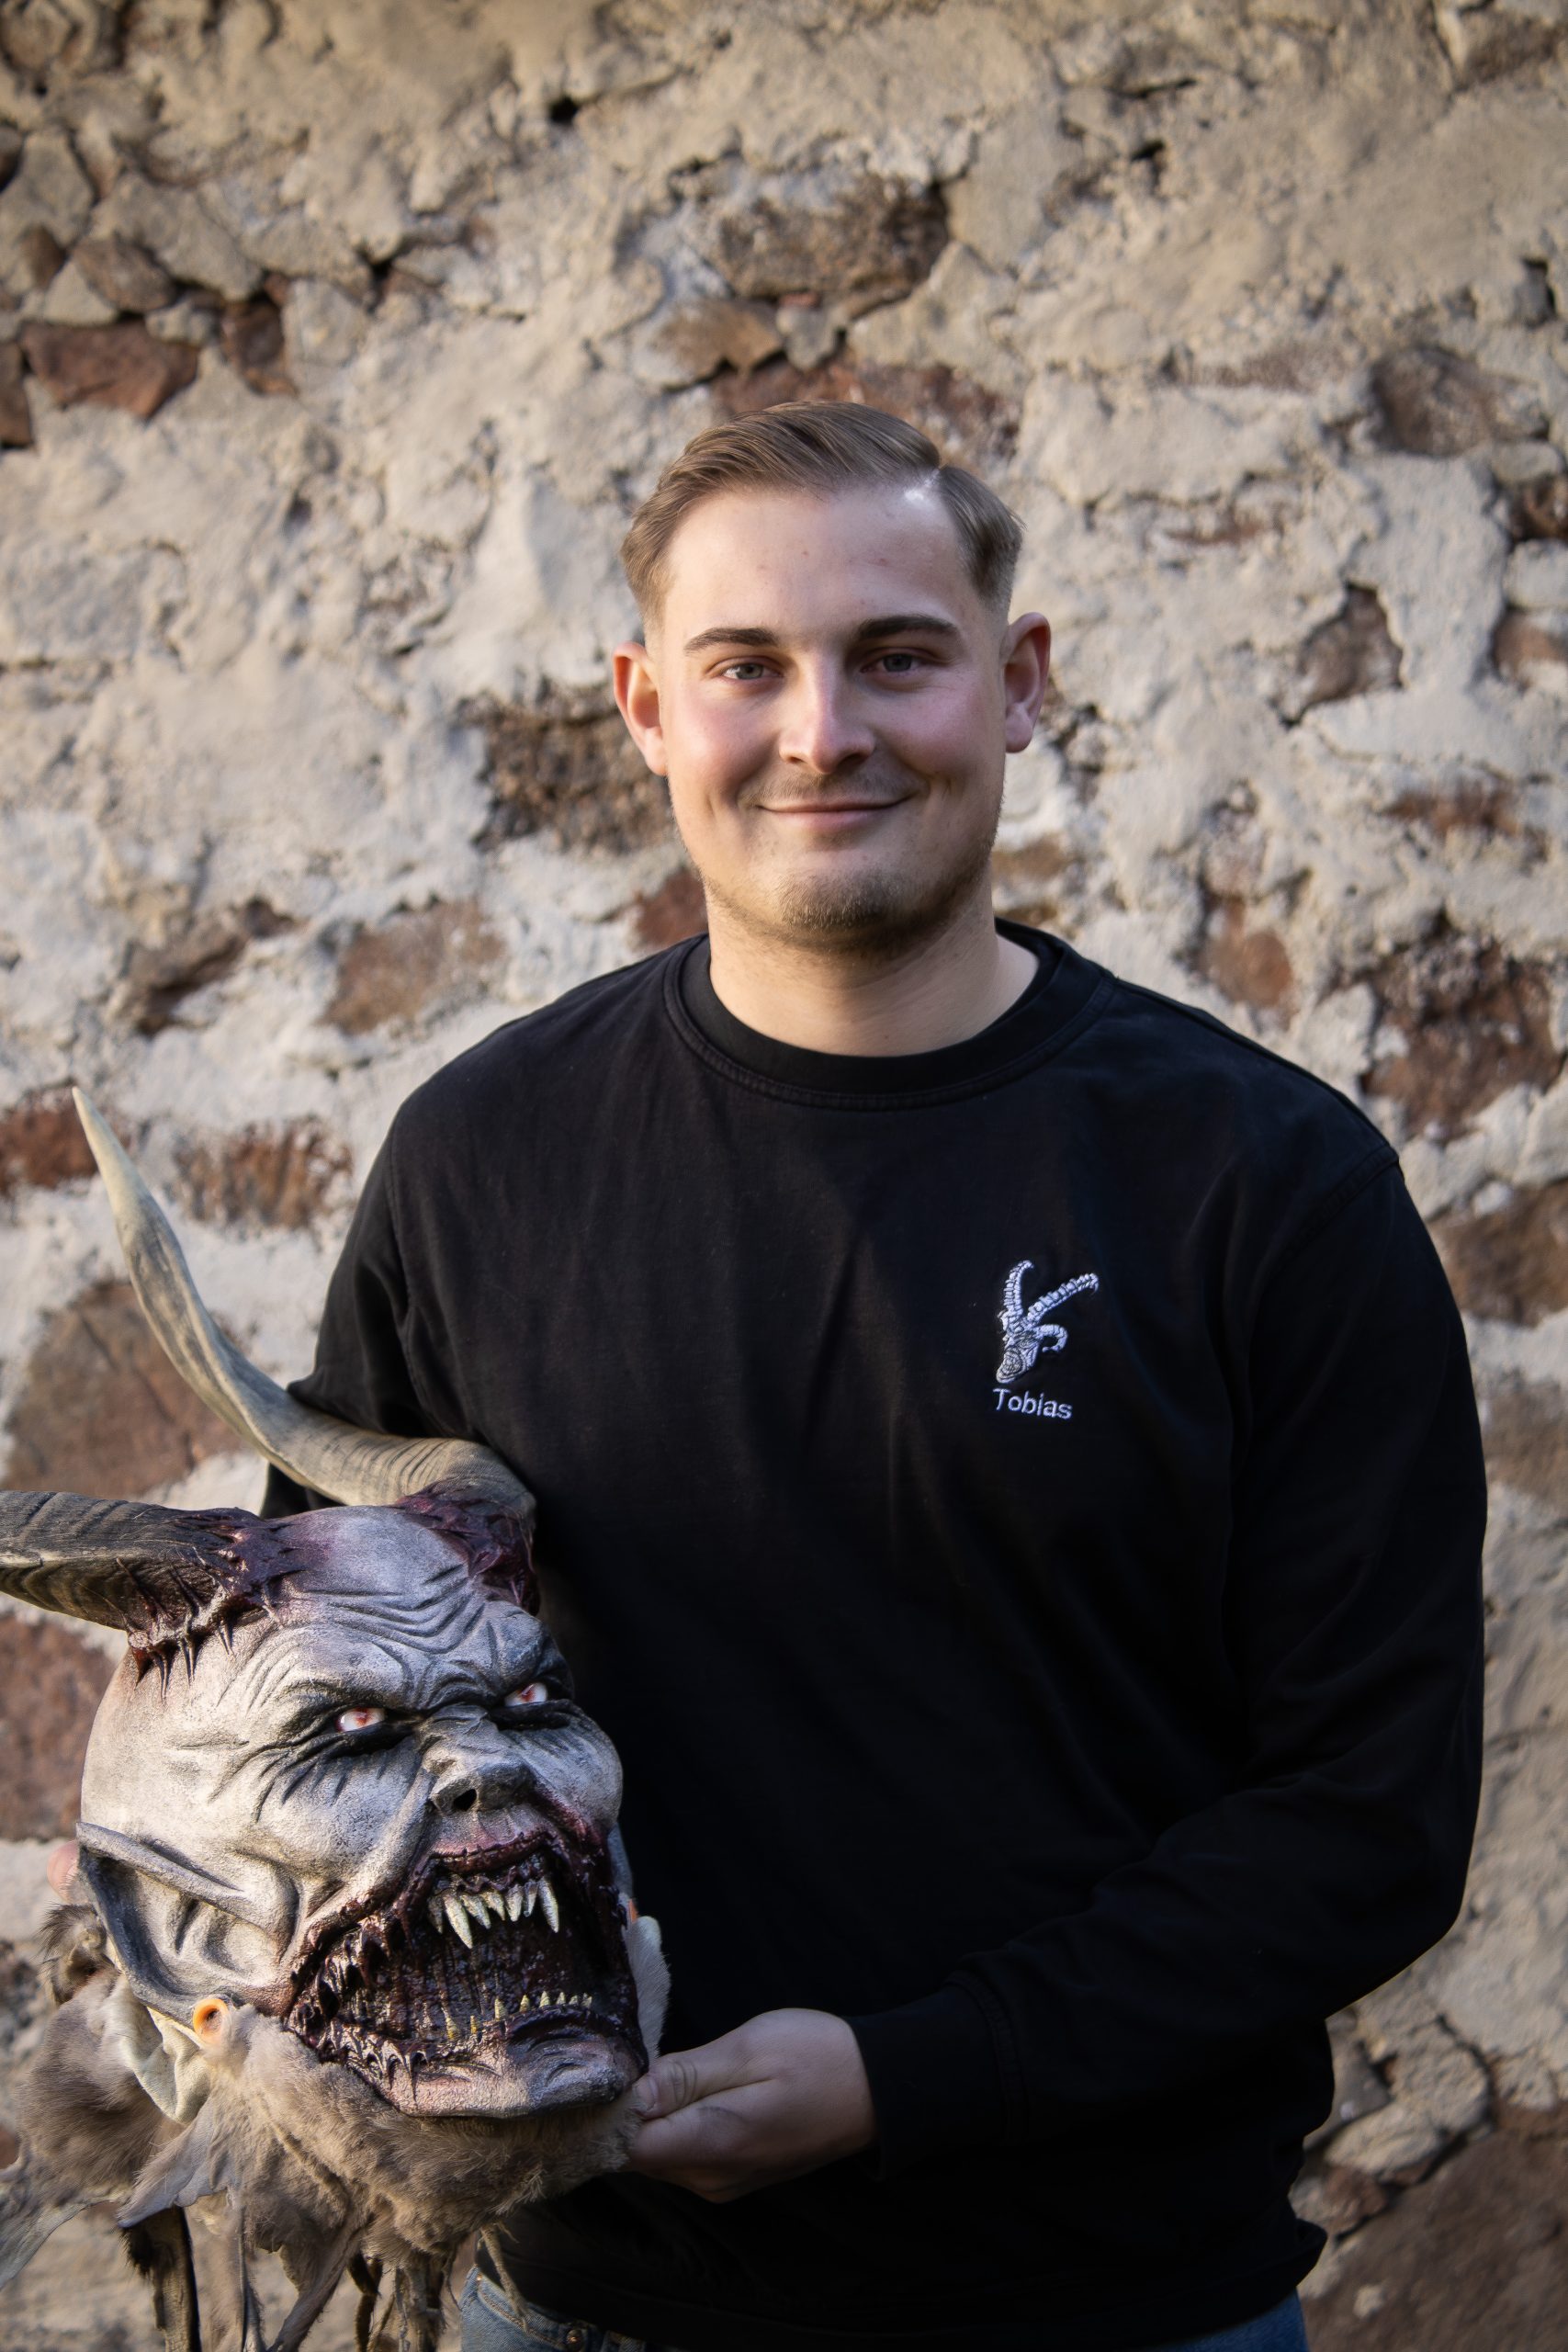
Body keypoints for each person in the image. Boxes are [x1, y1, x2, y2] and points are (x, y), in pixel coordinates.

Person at [265, 403, 1486, 2352]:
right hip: (587, 2301)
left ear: (1019, 683)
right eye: (745, 666)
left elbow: (1368, 1815)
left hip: (1112, 2305)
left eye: (896, 655)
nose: (821, 730)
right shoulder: (479, 1161)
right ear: (646, 706)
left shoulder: (1260, 1183)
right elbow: (321, 1693)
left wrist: (909, 2074)